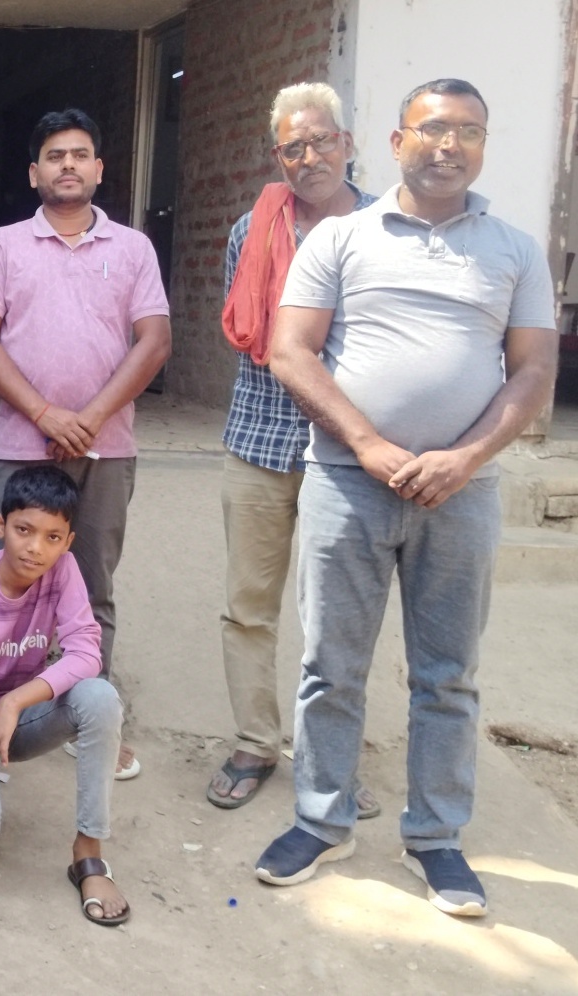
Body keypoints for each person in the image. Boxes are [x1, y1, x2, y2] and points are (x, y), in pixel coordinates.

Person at [255, 80, 558, 918]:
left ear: (484, 145)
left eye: (468, 131)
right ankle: (322, 821)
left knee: (447, 676)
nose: (448, 145)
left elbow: (534, 368)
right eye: (432, 129)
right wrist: (368, 443)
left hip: (461, 496)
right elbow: (291, 351)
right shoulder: (340, 238)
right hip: (347, 483)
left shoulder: (514, 250)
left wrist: (466, 457)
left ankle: (435, 837)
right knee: (330, 666)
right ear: (396, 142)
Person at [0, 108, 171, 779]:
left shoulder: (132, 249)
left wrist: (90, 417)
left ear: (99, 168)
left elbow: (154, 343)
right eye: (55, 156)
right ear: (35, 173)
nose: (68, 165)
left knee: (93, 585)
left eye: (80, 154)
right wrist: (46, 414)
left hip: (108, 449)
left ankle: (90, 720)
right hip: (22, 444)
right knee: (3, 584)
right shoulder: (3, 246)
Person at [209, 83, 381, 813]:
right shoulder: (252, 230)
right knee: (249, 605)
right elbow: (246, 329)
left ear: (348, 143)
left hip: (346, 452)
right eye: (292, 147)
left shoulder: (387, 229)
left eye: (320, 141)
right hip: (257, 439)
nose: (309, 157)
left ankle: (329, 757)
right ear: (278, 156)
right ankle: (255, 741)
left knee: (337, 615)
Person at [0, 465, 128, 926]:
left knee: (99, 697)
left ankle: (89, 854)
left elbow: (87, 652)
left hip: (20, 714)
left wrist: (13, 703)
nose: (35, 548)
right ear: (0, 525)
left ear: (68, 542)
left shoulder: (62, 570)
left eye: (53, 537)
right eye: (24, 530)